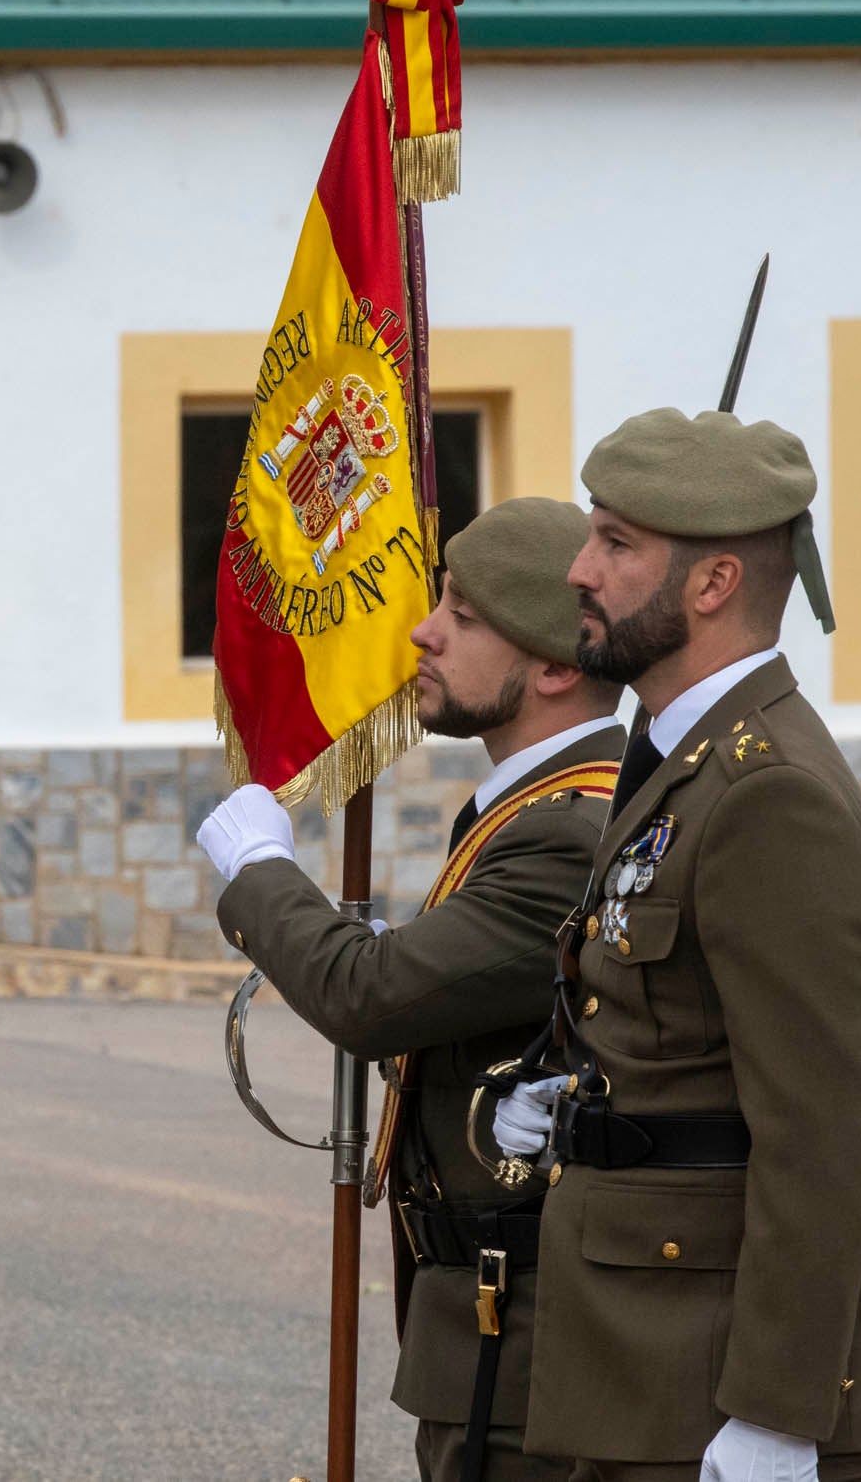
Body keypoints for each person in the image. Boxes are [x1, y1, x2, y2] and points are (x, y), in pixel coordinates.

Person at [503, 408, 861, 1482]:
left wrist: (777, 1415)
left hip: (713, 1373)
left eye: (614, 544)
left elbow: (820, 1128)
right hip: (646, 1348)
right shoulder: (678, 756)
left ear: (709, 587)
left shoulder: (766, 792)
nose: (577, 570)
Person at [198, 497, 626, 1482]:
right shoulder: (529, 811)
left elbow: (371, 995)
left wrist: (258, 872)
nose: (423, 632)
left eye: (465, 617)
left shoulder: (565, 830)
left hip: (521, 1338)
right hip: (485, 1324)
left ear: (556, 667)